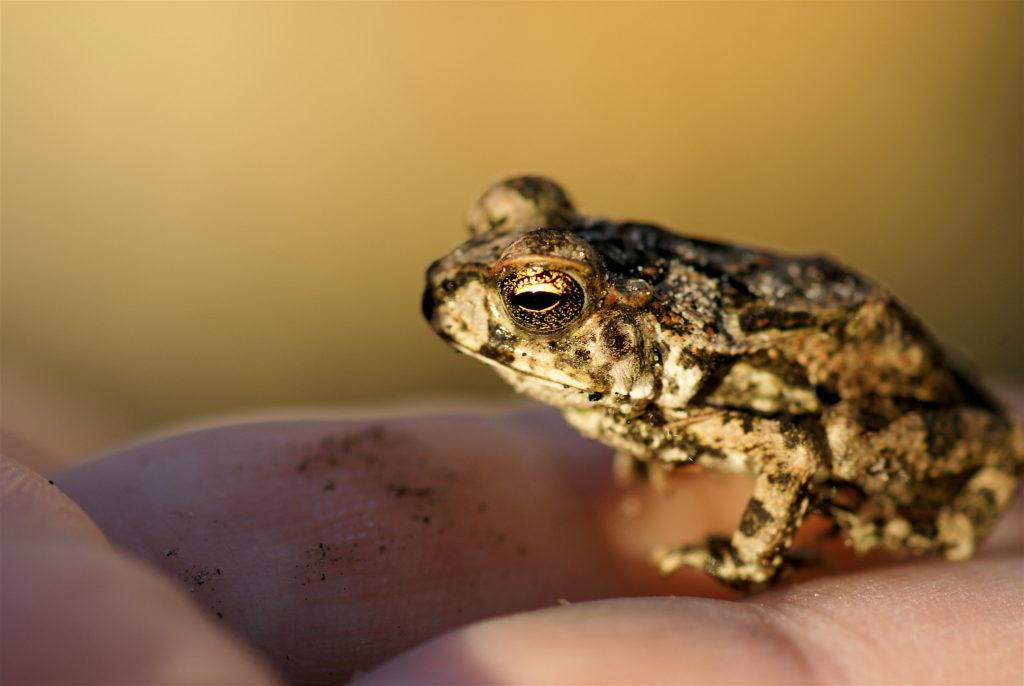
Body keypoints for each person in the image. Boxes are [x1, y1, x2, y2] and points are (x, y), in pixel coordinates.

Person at [2, 405, 1022, 685]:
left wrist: (749, 550)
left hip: (888, 400)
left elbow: (790, 437)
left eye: (541, 304)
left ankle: (926, 512)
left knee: (843, 442)